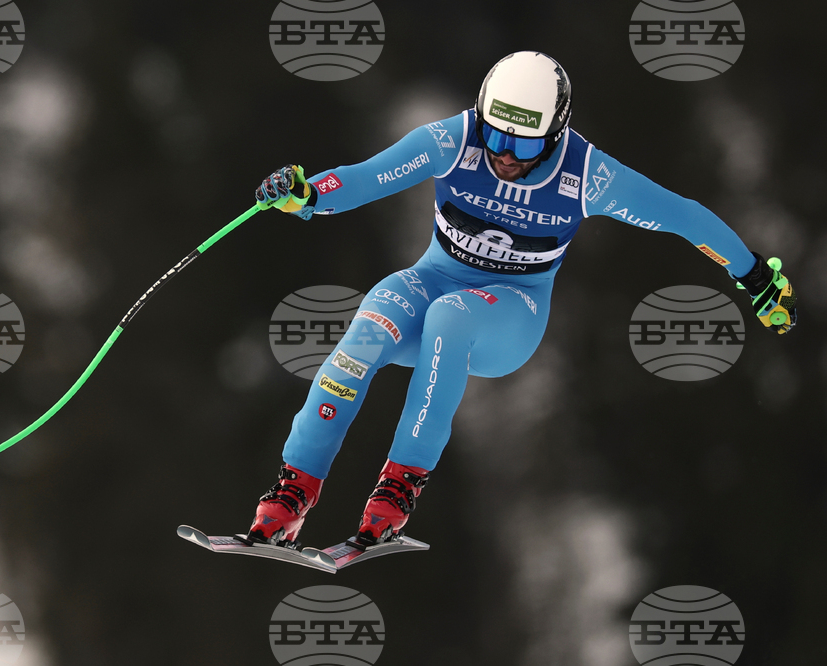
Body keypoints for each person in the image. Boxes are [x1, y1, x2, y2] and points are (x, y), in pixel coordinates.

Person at [247, 51, 797, 549]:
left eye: (525, 143)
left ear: (555, 132)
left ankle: (395, 493)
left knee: (450, 316)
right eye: (497, 136)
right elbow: (366, 178)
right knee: (380, 307)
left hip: (510, 315)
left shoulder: (588, 176)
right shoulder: (453, 141)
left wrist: (754, 277)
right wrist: (307, 194)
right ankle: (291, 494)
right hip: (435, 279)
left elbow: (685, 217)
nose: (505, 154)